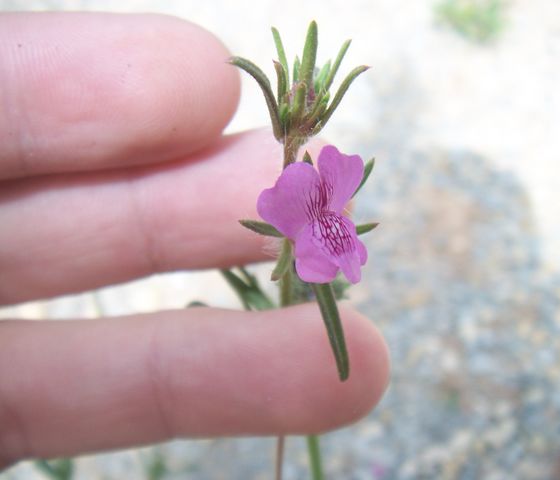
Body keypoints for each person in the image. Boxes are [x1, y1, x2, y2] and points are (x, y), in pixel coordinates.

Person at [0, 12, 389, 469]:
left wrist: (327, 234)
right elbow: (289, 211)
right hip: (304, 225)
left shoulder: (328, 206)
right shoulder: (302, 204)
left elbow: (323, 208)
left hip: (314, 227)